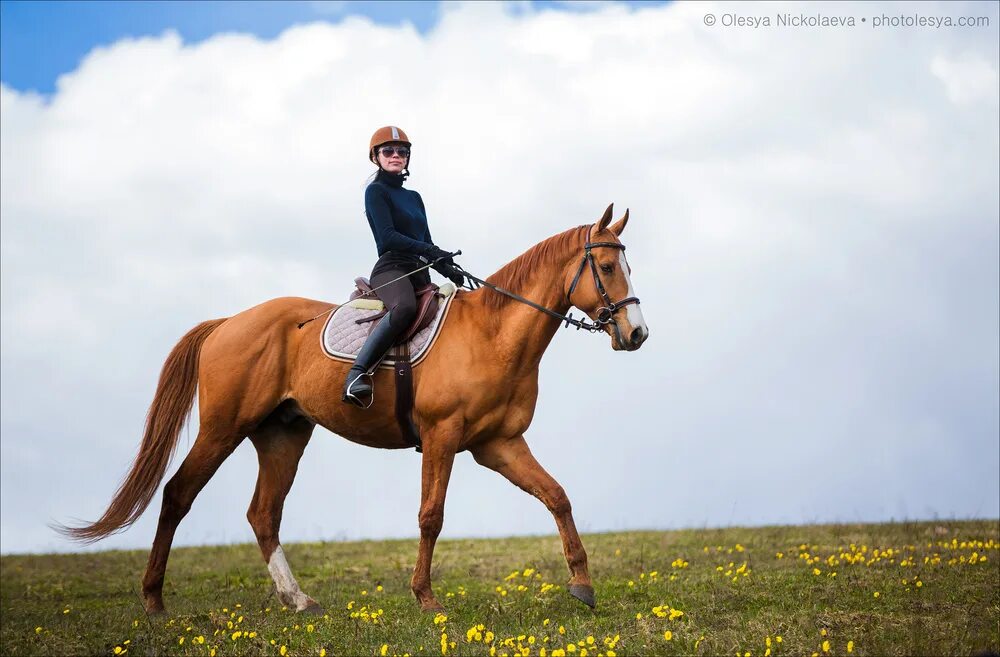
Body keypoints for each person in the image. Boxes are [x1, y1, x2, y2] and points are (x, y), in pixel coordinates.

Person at [342, 126, 466, 408]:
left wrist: (450, 269)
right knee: (405, 308)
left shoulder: (415, 198)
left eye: (402, 152)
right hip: (392, 269)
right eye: (389, 151)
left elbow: (426, 241)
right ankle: (356, 374)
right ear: (376, 157)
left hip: (420, 273)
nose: (396, 155)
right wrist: (430, 250)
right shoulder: (376, 192)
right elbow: (387, 237)